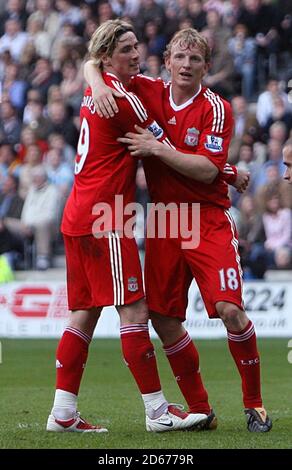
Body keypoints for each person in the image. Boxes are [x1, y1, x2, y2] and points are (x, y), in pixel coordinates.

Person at [85, 27, 272, 432]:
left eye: (196, 59)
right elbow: (95, 60)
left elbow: (206, 169)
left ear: (206, 66)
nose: (187, 65)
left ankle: (254, 404)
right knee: (165, 318)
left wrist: (158, 150)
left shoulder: (217, 107)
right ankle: (200, 408)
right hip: (166, 219)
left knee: (230, 311)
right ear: (167, 60)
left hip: (207, 217)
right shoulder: (148, 89)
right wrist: (96, 80)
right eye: (180, 58)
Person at [46, 20, 208, 434]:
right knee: (134, 309)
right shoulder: (124, 102)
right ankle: (157, 411)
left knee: (83, 313)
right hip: (106, 218)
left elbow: (89, 65)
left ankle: (62, 414)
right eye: (127, 50)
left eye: (137, 46)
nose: (137, 54)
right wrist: (219, 170)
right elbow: (163, 148)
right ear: (107, 58)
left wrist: (95, 78)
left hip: (76, 215)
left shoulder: (97, 89)